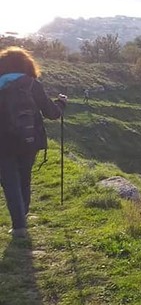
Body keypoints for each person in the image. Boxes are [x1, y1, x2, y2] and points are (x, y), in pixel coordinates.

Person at [0, 46, 66, 238]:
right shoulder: (31, 84)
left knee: (10, 182)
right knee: (24, 179)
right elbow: (52, 113)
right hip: (29, 140)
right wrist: (61, 102)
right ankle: (24, 216)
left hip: (2, 142)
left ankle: (19, 225)